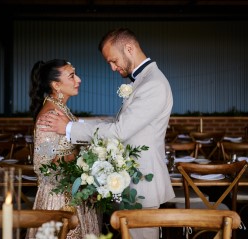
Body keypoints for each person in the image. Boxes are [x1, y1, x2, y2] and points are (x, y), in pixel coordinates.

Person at [39, 28, 175, 239]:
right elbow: (43, 161)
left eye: (113, 60)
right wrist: (76, 124)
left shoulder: (153, 84)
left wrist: (70, 129)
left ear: (129, 48)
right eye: (72, 75)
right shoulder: (143, 80)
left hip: (141, 186)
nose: (112, 68)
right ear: (56, 85)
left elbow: (120, 130)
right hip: (106, 188)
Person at [26, 59, 100, 239]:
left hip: (74, 192)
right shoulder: (50, 117)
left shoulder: (63, 110)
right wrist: (79, 168)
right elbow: (42, 166)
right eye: (72, 76)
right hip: (60, 201)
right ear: (56, 85)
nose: (79, 80)